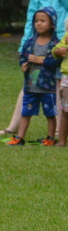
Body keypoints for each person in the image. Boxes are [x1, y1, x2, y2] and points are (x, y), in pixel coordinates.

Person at [0, 0, 68, 137]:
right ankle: (13, 127)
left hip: (63, 40)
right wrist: (26, 40)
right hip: (39, 41)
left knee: (60, 84)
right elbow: (33, 11)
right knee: (30, 80)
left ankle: (59, 132)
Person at [8, 8, 60, 146]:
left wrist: (40, 60)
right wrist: (23, 65)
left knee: (50, 114)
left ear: (52, 24)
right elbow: (23, 57)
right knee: (26, 112)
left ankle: (50, 138)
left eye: (43, 21)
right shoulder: (30, 42)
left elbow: (56, 61)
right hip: (31, 86)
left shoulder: (55, 44)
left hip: (49, 88)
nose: (39, 24)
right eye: (36, 21)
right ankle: (19, 138)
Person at [53, 16, 68, 146]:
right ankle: (62, 141)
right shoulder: (66, 38)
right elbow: (55, 51)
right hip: (67, 79)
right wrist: (59, 51)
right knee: (65, 112)